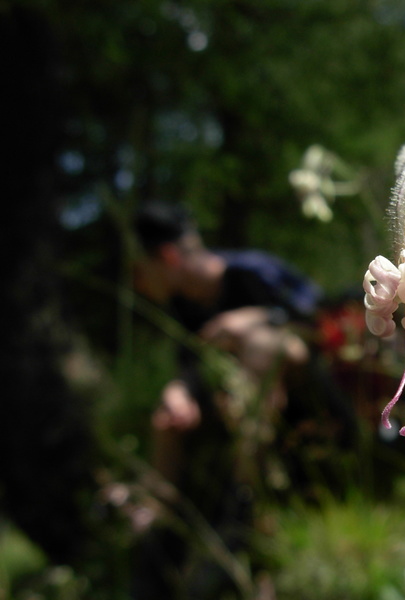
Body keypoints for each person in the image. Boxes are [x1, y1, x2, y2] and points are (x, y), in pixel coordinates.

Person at [130, 202, 325, 598]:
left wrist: (253, 318)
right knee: (164, 418)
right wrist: (179, 390)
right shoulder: (183, 304)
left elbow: (317, 314)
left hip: (300, 377)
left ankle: (246, 504)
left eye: (141, 270)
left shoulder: (248, 271)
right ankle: (157, 523)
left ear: (166, 257)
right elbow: (192, 362)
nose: (139, 284)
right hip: (231, 395)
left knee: (254, 343)